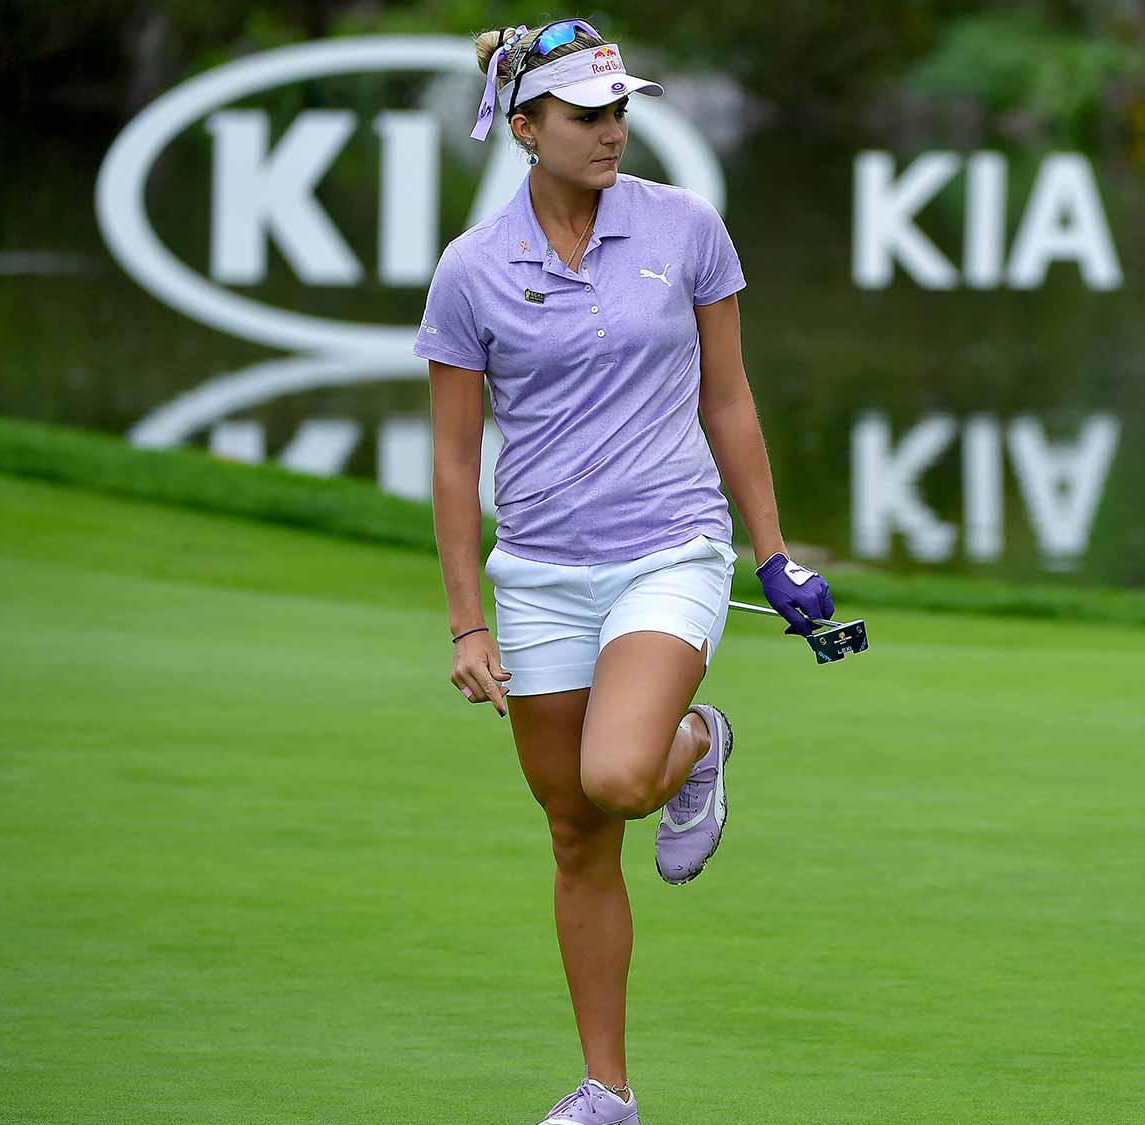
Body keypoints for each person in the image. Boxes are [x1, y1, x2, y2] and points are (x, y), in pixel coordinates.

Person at [413, 20, 834, 1124]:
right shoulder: (471, 271)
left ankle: (699, 741)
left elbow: (727, 399)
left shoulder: (683, 226)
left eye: (619, 111)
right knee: (574, 832)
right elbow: (455, 461)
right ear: (525, 130)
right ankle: (606, 1092)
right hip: (540, 572)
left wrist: (774, 552)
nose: (612, 130)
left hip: (669, 547)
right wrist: (467, 625)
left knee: (613, 775)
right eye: (586, 115)